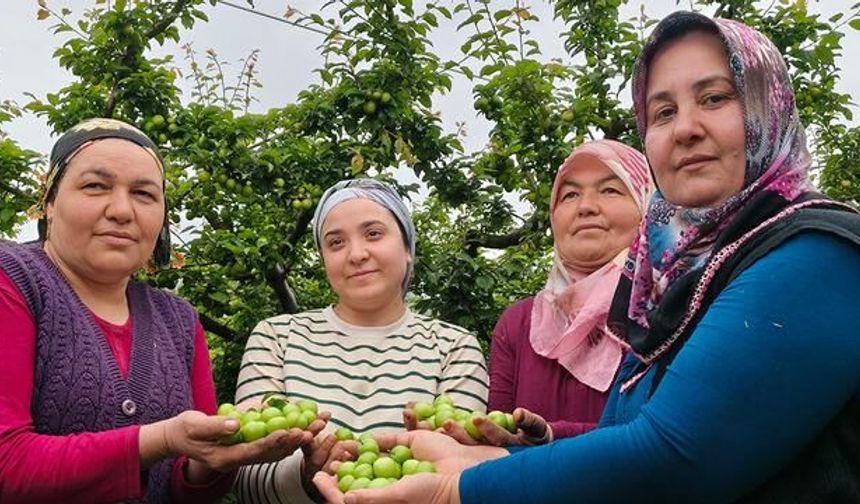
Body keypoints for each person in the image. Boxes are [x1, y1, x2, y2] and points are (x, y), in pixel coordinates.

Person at [314, 10, 860, 503]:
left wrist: (456, 489)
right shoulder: (672, 282)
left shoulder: (815, 251)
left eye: (715, 98)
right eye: (663, 111)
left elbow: (671, 457)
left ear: (769, 104)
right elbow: (620, 441)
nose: (687, 128)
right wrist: (492, 457)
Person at [0, 118, 324, 504]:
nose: (122, 210)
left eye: (144, 194)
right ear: (49, 203)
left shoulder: (179, 321)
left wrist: (215, 458)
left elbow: (187, 488)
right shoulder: (13, 280)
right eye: (95, 186)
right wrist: (162, 439)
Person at [234, 178, 489, 503]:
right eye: (336, 243)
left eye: (373, 233)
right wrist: (306, 474)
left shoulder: (454, 346)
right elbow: (246, 478)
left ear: (408, 248)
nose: (356, 254)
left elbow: (463, 474)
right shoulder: (276, 337)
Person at [481, 139, 651, 445]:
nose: (586, 207)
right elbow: (498, 434)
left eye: (610, 189)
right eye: (570, 194)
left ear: (646, 204)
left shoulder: (670, 310)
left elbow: (663, 438)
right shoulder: (519, 324)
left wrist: (551, 436)